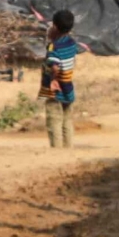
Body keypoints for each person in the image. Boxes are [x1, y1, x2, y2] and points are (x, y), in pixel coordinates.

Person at [39, 9, 82, 149]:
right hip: (68, 87)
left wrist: (53, 79)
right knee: (67, 121)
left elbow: (55, 66)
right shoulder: (71, 43)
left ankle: (57, 152)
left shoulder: (54, 47)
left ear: (55, 27)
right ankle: (68, 150)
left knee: (54, 122)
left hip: (55, 90)